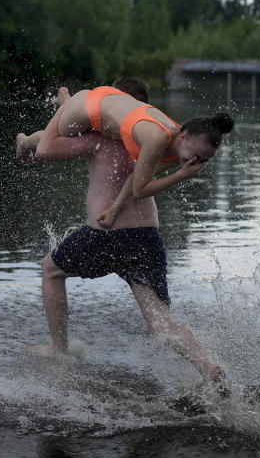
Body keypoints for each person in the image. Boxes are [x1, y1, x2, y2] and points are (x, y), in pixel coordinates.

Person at [26, 78, 224, 383]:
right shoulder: (151, 143)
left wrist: (33, 135)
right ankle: (208, 368)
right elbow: (136, 181)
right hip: (146, 237)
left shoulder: (100, 138)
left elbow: (46, 147)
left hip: (106, 237)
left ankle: (59, 349)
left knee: (50, 269)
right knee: (163, 324)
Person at [18, 86, 234, 210]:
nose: (196, 162)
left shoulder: (178, 149)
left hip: (113, 105)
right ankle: (31, 136)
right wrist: (181, 176)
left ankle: (69, 102)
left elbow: (135, 178)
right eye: (196, 155)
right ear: (184, 136)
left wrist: (113, 211)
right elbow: (141, 190)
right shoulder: (158, 139)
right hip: (89, 108)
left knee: (79, 139)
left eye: (204, 160)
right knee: (45, 151)